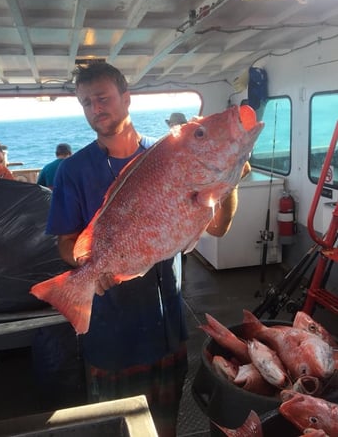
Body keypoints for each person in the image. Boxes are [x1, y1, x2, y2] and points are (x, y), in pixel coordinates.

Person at [45, 62, 241, 437]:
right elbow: (66, 244)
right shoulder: (72, 171)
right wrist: (89, 266)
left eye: (102, 98)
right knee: (117, 428)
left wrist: (229, 181)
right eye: (86, 103)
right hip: (109, 333)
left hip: (166, 328)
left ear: (127, 98)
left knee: (166, 425)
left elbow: (217, 226)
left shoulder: (170, 154)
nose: (95, 109)